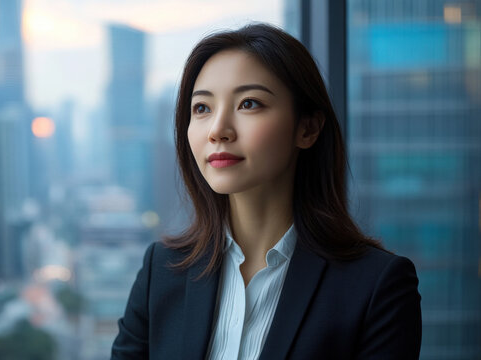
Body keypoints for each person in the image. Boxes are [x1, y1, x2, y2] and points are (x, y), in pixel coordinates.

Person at [111, 22, 422, 360]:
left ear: (308, 128)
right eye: (202, 108)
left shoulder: (377, 288)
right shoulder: (162, 270)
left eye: (249, 104)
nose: (218, 130)